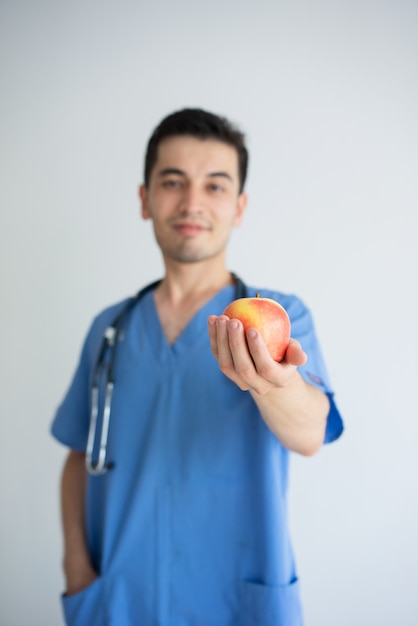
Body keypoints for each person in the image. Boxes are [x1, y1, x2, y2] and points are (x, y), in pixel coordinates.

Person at [51, 108, 343, 626]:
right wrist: (75, 565)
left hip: (238, 600)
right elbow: (79, 453)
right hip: (118, 600)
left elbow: (310, 432)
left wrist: (275, 385)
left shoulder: (280, 317)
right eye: (172, 182)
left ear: (239, 206)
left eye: (215, 186)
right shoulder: (109, 329)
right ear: (145, 199)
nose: (192, 203)